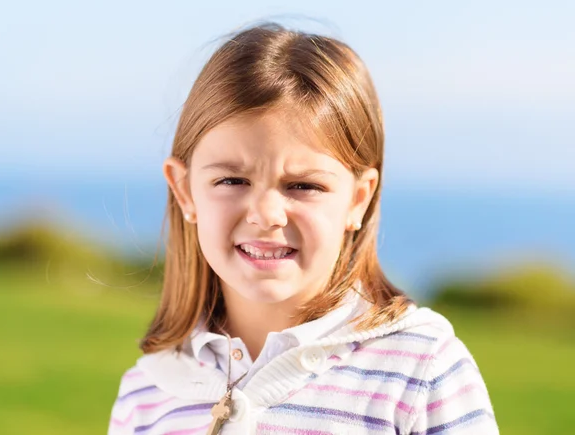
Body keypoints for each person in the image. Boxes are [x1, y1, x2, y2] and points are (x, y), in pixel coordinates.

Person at [108, 23, 499, 435]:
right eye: (232, 181)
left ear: (358, 199)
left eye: (304, 186)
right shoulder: (146, 393)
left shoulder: (421, 371)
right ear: (185, 192)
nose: (266, 214)